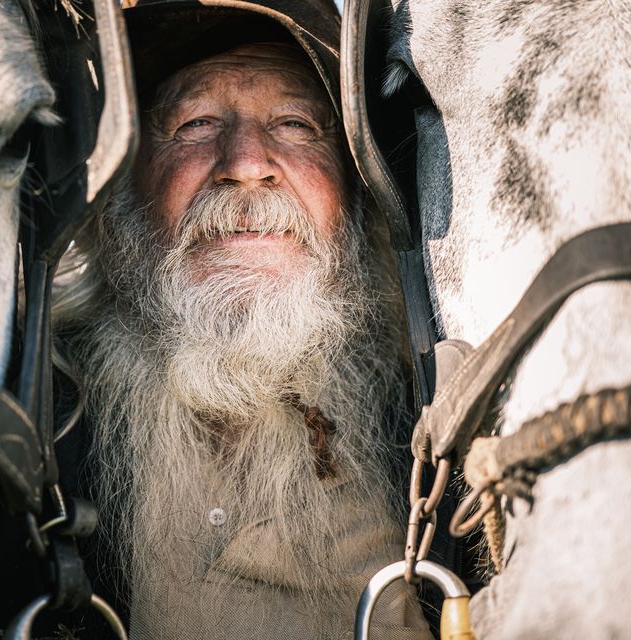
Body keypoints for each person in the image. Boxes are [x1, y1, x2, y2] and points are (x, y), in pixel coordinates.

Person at [50, 1, 432, 638]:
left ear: (359, 195)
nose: (247, 161)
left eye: (296, 123)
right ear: (119, 190)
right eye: (196, 123)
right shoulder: (33, 426)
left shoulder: (440, 440)